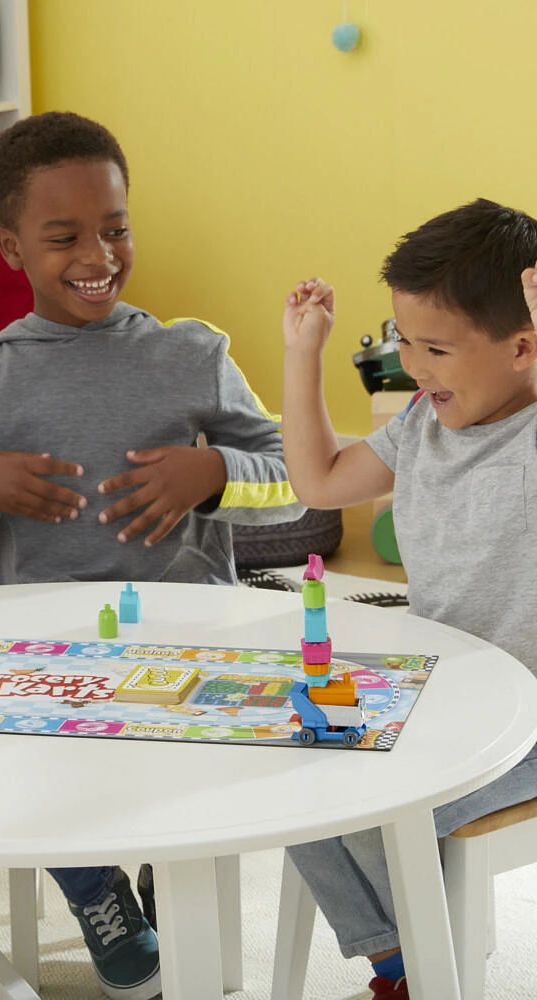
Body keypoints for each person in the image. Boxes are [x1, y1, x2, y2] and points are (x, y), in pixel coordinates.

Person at [0, 110, 304, 1000]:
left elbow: (296, 482)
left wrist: (214, 472)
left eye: (116, 227)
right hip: (41, 658)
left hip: (191, 635)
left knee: (206, 774)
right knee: (18, 756)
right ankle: (96, 892)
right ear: (11, 247)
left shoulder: (192, 353)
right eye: (65, 237)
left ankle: (176, 876)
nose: (100, 253)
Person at [280, 197, 537, 1000]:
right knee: (290, 771)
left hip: (524, 721)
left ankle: (426, 970)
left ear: (524, 345)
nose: (414, 367)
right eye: (405, 341)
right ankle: (408, 967)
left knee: (384, 807)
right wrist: (303, 354)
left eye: (438, 349)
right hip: (436, 699)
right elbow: (318, 479)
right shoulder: (421, 424)